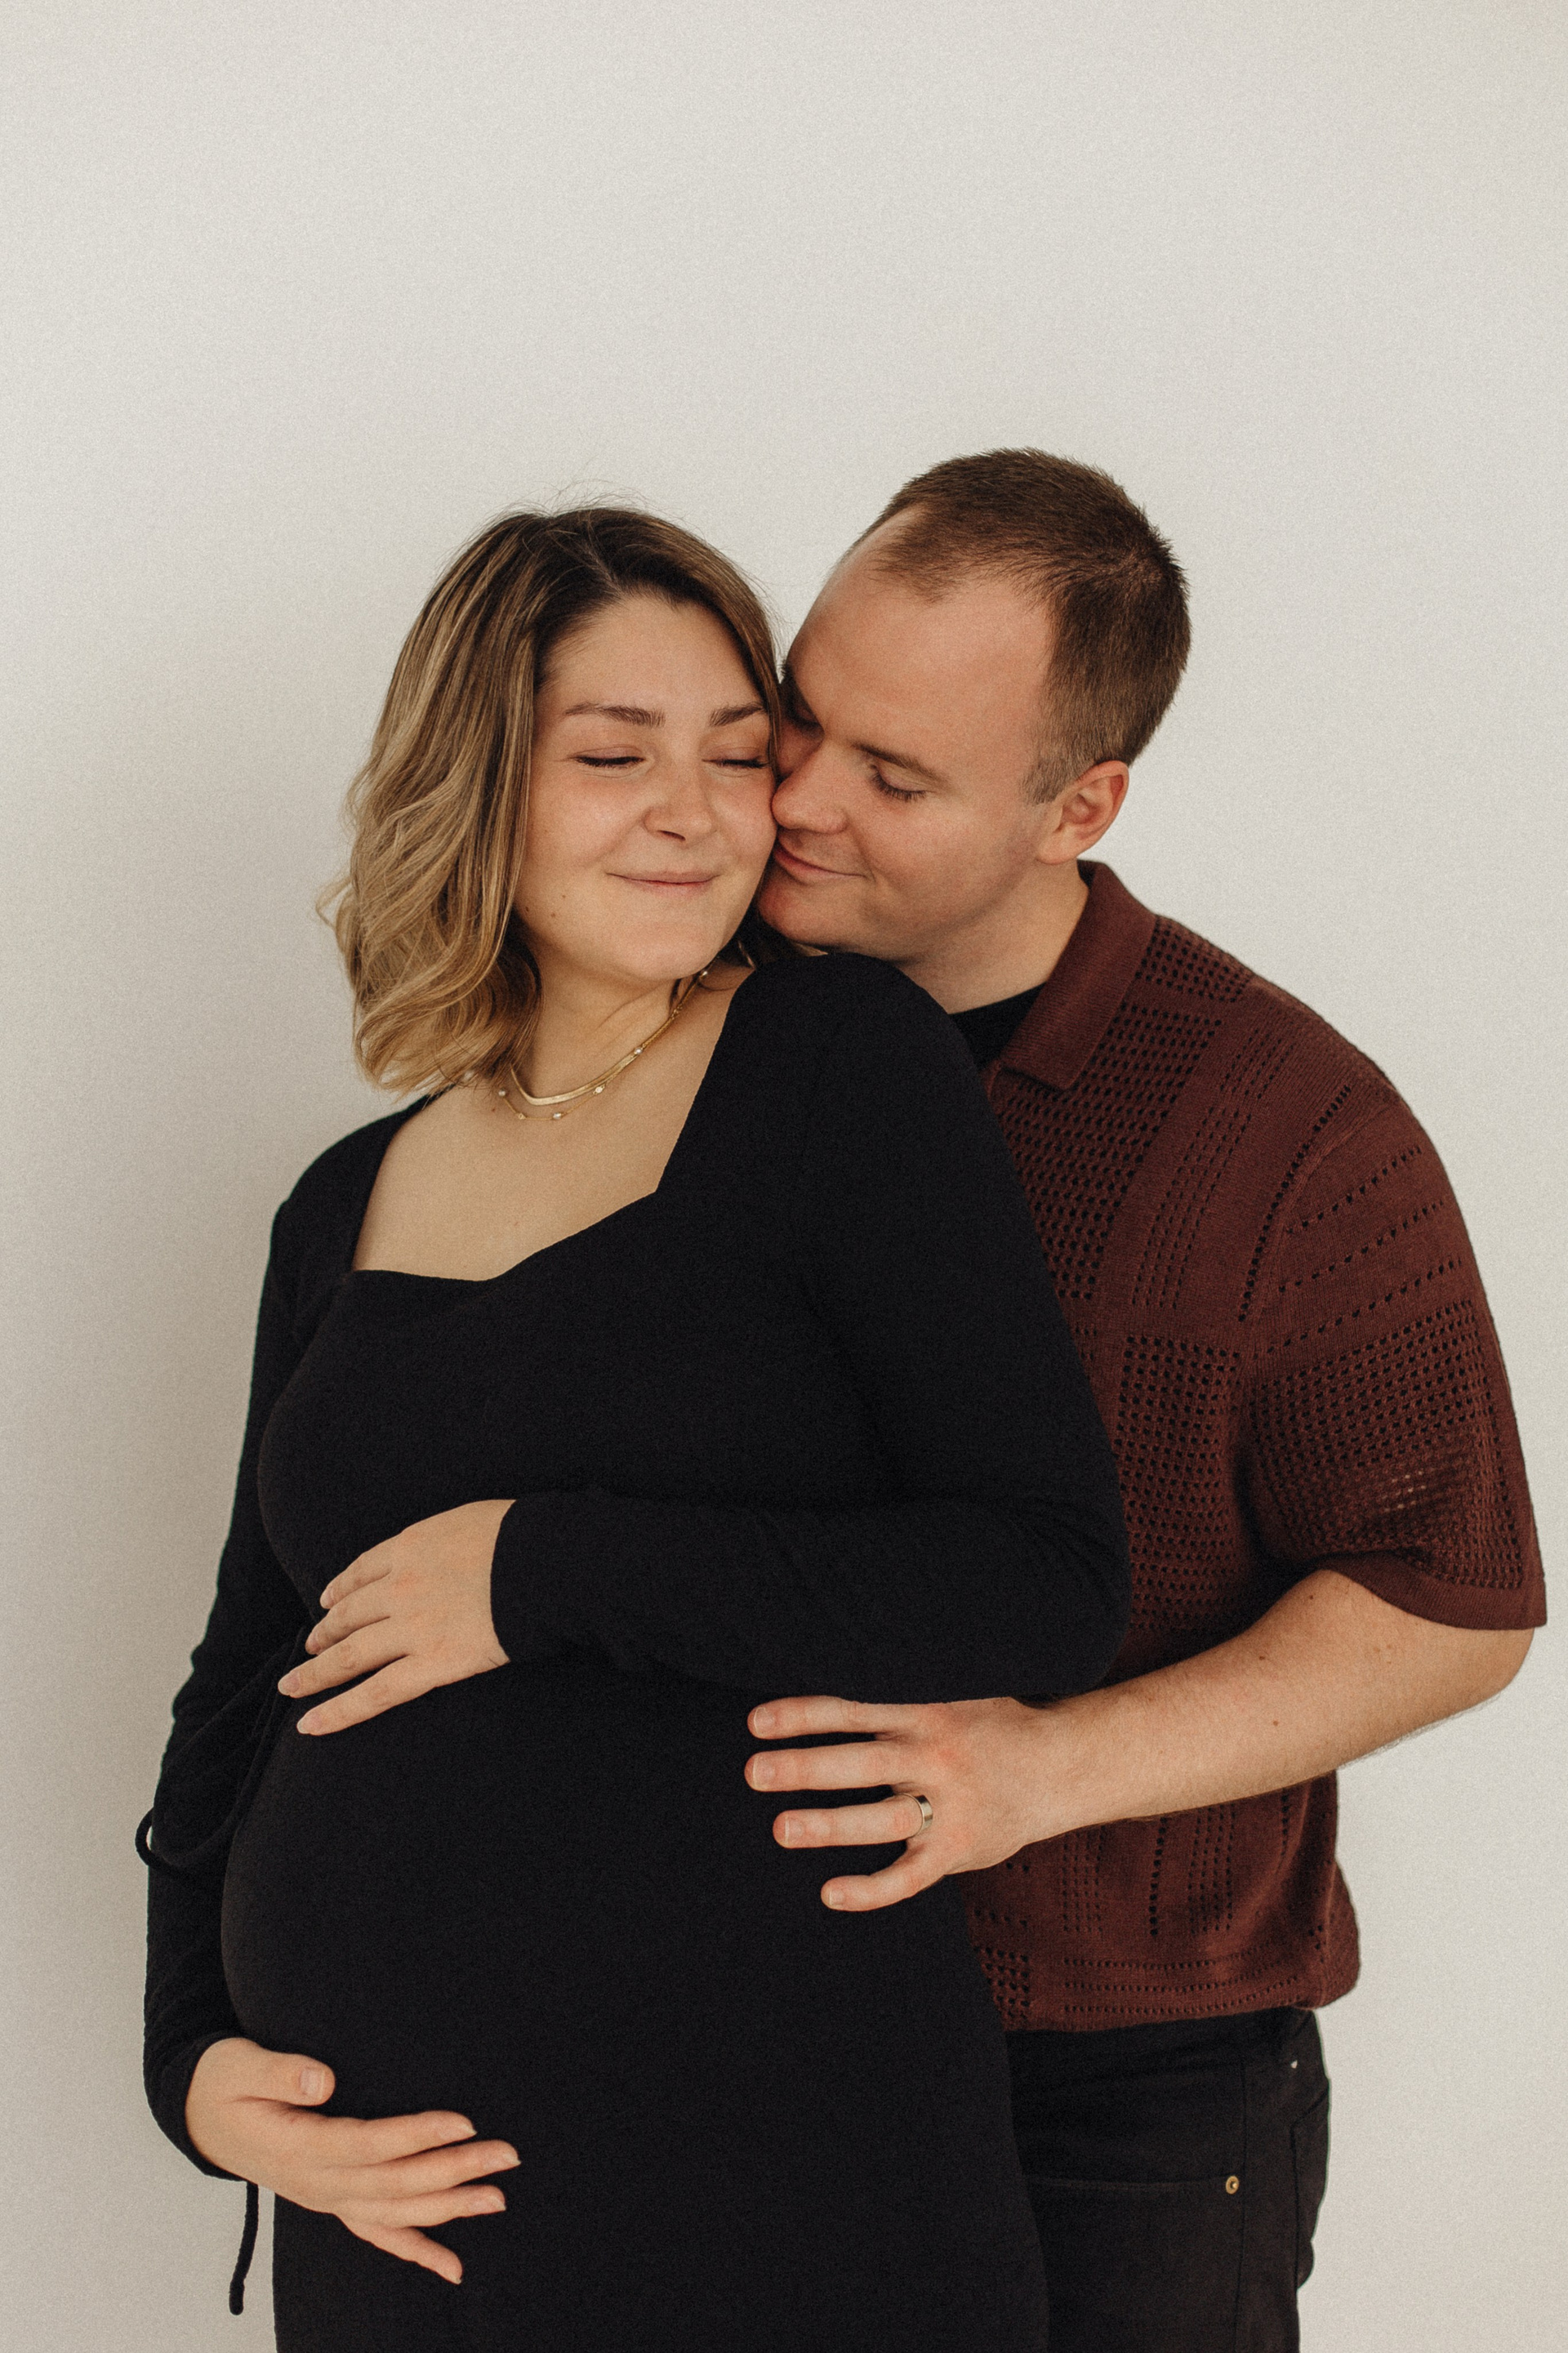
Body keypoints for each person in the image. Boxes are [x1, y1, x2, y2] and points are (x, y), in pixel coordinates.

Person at [139, 506, 1132, 2350]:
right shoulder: (343, 1199)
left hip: (769, 2173)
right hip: (399, 2222)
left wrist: (543, 1568)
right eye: (614, 755)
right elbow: (244, 1672)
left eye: (738, 757)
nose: (694, 812)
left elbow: (1041, 1574)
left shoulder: (837, 1071)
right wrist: (188, 2062)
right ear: (478, 784)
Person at [738, 450, 1545, 2351]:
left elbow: (1454, 1604)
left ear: (1077, 807)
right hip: (732, 2032)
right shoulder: (698, 1017)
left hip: (1117, 2102)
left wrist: (1039, 1773)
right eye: (800, 716)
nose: (797, 800)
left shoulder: (1296, 1133)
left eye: (896, 777)